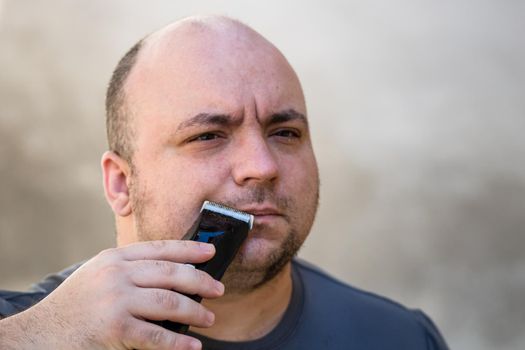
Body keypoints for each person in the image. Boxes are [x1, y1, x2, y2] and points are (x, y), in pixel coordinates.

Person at [0, 15, 449, 350]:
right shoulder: (25, 329)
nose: (261, 165)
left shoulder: (400, 337)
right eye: (208, 136)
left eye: (285, 133)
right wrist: (40, 335)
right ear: (120, 183)